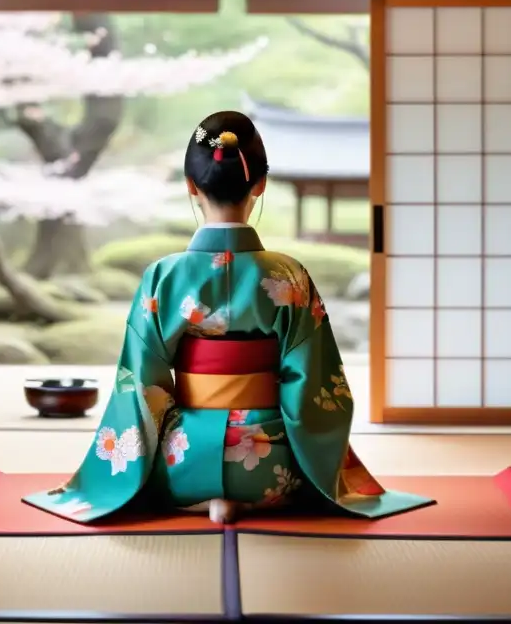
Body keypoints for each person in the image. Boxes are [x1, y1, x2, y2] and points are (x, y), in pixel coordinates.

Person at [24, 110, 432, 525]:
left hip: (181, 464)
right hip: (274, 469)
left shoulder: (162, 277)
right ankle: (249, 500)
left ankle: (204, 500)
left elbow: (139, 386)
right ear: (260, 184)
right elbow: (318, 387)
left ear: (190, 186)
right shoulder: (287, 275)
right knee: (290, 466)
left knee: (156, 457)